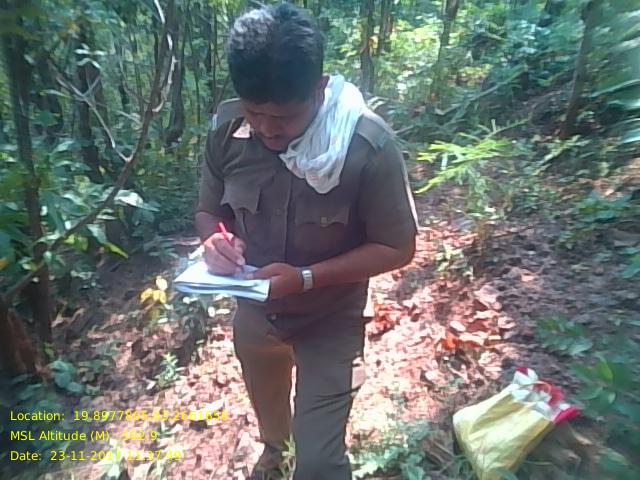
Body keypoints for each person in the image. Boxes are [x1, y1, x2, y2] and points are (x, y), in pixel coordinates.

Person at [195, 3, 418, 479]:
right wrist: (214, 240)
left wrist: (305, 279)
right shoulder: (227, 130)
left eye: (285, 117)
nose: (268, 129)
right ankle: (275, 452)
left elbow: (398, 247)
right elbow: (209, 212)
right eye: (255, 113)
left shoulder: (366, 146)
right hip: (255, 314)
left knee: (318, 464)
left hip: (330, 320)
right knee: (273, 424)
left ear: (319, 88)